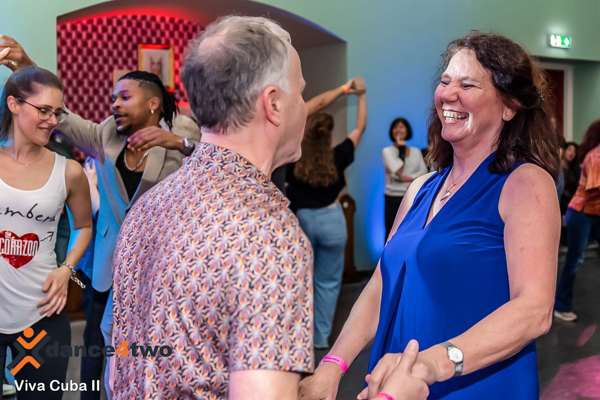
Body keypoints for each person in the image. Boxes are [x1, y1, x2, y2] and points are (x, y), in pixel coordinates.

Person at [300, 32, 560, 400]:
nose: (448, 94)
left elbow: (534, 310)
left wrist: (430, 365)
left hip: (476, 385)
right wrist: (333, 365)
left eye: (467, 84)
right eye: (445, 81)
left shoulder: (525, 184)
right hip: (397, 383)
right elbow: (380, 285)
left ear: (509, 106)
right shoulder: (421, 188)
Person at [0, 36, 201, 399]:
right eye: (113, 98)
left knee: (151, 350)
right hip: (111, 264)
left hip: (160, 265)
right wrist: (26, 66)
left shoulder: (182, 133)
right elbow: (58, 115)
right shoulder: (106, 135)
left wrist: (178, 144)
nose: (114, 104)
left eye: (124, 97)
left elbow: (216, 162)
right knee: (98, 349)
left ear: (153, 103)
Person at [0, 66, 92, 399]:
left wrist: (66, 270)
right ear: (14, 104)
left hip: (43, 313)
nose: (52, 120)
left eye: (57, 112)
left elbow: (84, 226)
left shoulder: (69, 171)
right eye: (43, 110)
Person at [286, 77, 367, 349]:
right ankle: (320, 338)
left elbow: (313, 105)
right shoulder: (339, 155)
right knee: (328, 283)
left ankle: (299, 336)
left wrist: (343, 89)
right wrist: (361, 96)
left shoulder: (293, 157)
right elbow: (360, 127)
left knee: (301, 279)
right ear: (329, 135)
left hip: (303, 223)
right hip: (332, 222)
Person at [554, 120, 600, 322]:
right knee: (574, 260)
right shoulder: (595, 156)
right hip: (581, 214)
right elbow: (594, 189)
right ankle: (561, 305)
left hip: (594, 214)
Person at [382, 117, 428, 238]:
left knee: (409, 232)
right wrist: (401, 151)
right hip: (393, 197)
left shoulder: (416, 151)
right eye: (395, 127)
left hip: (411, 197)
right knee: (391, 233)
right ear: (392, 131)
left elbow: (423, 173)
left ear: (407, 130)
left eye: (402, 127)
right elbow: (397, 170)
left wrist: (407, 178)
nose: (398, 129)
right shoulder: (387, 151)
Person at [559, 141, 581, 215]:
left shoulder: (575, 170)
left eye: (574, 152)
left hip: (570, 206)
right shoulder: (557, 167)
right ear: (564, 151)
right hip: (559, 204)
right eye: (569, 150)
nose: (571, 153)